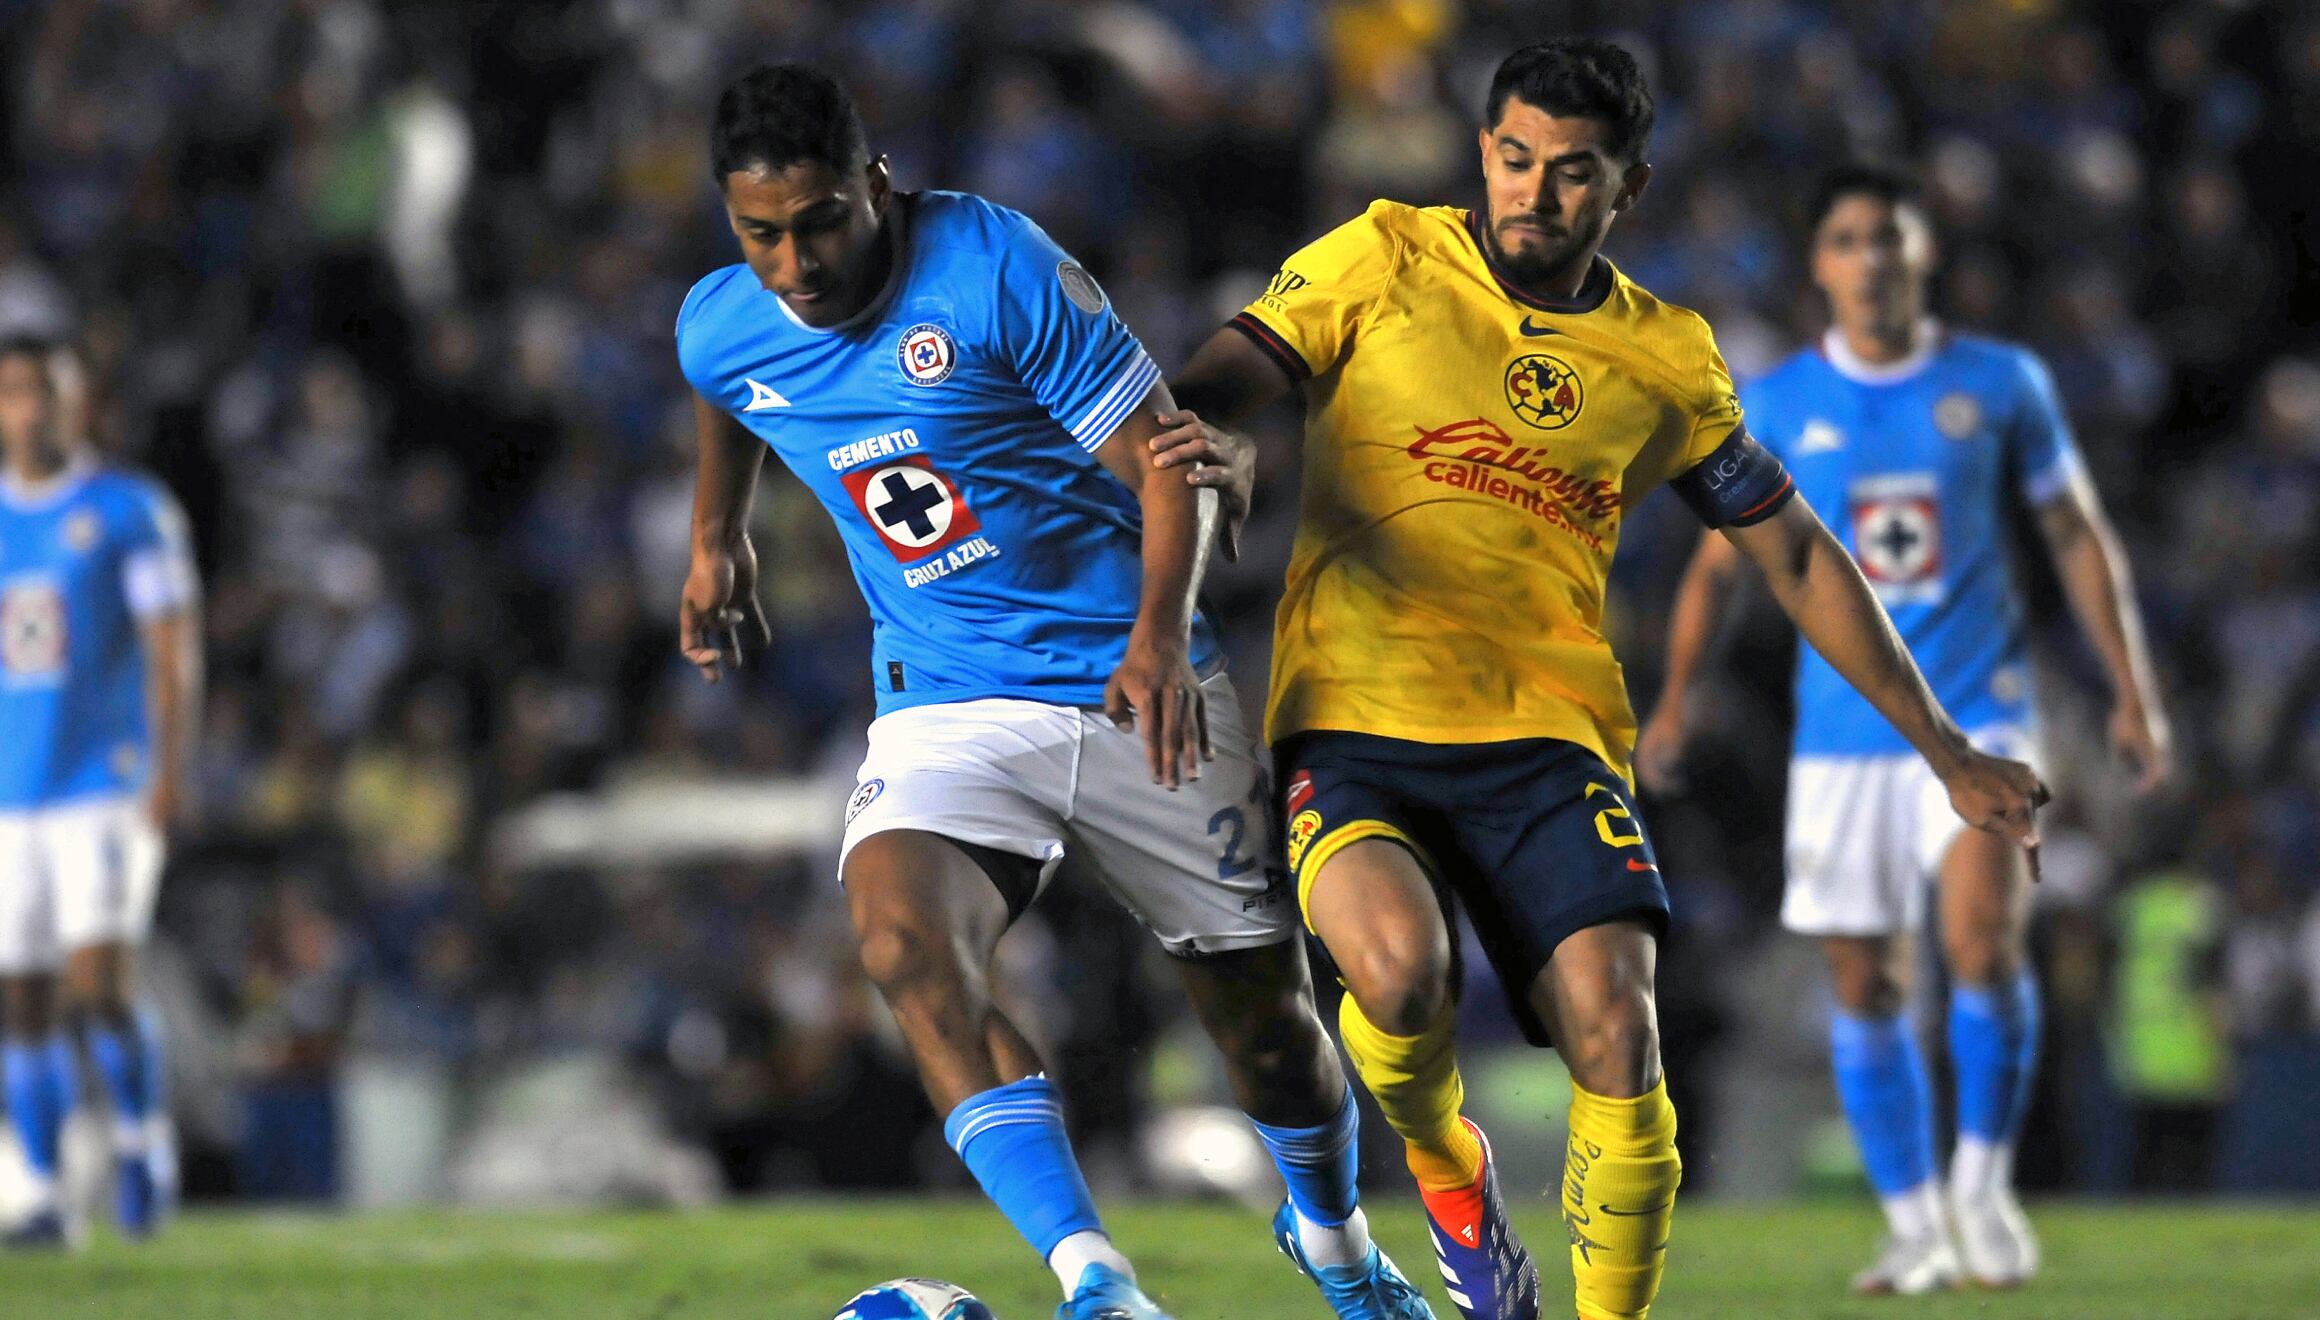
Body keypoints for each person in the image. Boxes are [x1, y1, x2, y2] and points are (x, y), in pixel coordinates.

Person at [1149, 40, 2045, 1320]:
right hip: (1353, 716)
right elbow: (1221, 376)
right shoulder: (1382, 256)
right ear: (1482, 153)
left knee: (1620, 1036)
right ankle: (1460, 1205)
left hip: (1550, 739)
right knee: (1398, 983)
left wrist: (1948, 750)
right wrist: (1217, 439)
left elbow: (1792, 552)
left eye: (1573, 174)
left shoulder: (1665, 356)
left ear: (1627, 189)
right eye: (1514, 160)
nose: (1534, 193)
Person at [671, 65, 1429, 1320]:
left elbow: (1171, 460)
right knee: (904, 945)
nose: (795, 263)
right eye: (761, 235)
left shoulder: (991, 264)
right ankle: (1098, 1283)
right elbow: (726, 393)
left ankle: (1340, 1249)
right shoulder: (722, 318)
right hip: (946, 697)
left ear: (876, 185)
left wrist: (1156, 638)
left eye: (819, 224)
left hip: (1134, 677)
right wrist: (718, 538)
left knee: (1268, 1028)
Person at [1632, 163, 2172, 1294]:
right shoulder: (1773, 400)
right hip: (1839, 742)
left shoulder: (1999, 384)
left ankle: (1981, 1188)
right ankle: (1914, 1218)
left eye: (1889, 235)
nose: (1870, 256)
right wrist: (1675, 697)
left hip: (1983, 713)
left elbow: (2075, 536)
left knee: (1983, 943)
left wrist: (2130, 690)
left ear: (1923, 253)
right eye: (1846, 238)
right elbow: (1716, 572)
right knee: (1863, 983)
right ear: (1819, 265)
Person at [0, 337, 199, 1246]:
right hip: (12, 794)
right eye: (12, 394)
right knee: (22, 1000)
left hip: (102, 786)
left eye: (44, 393)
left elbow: (170, 649)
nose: (28, 411)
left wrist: (168, 770)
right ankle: (41, 1194)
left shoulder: (127, 511)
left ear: (76, 403)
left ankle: (140, 1138)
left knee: (98, 987)